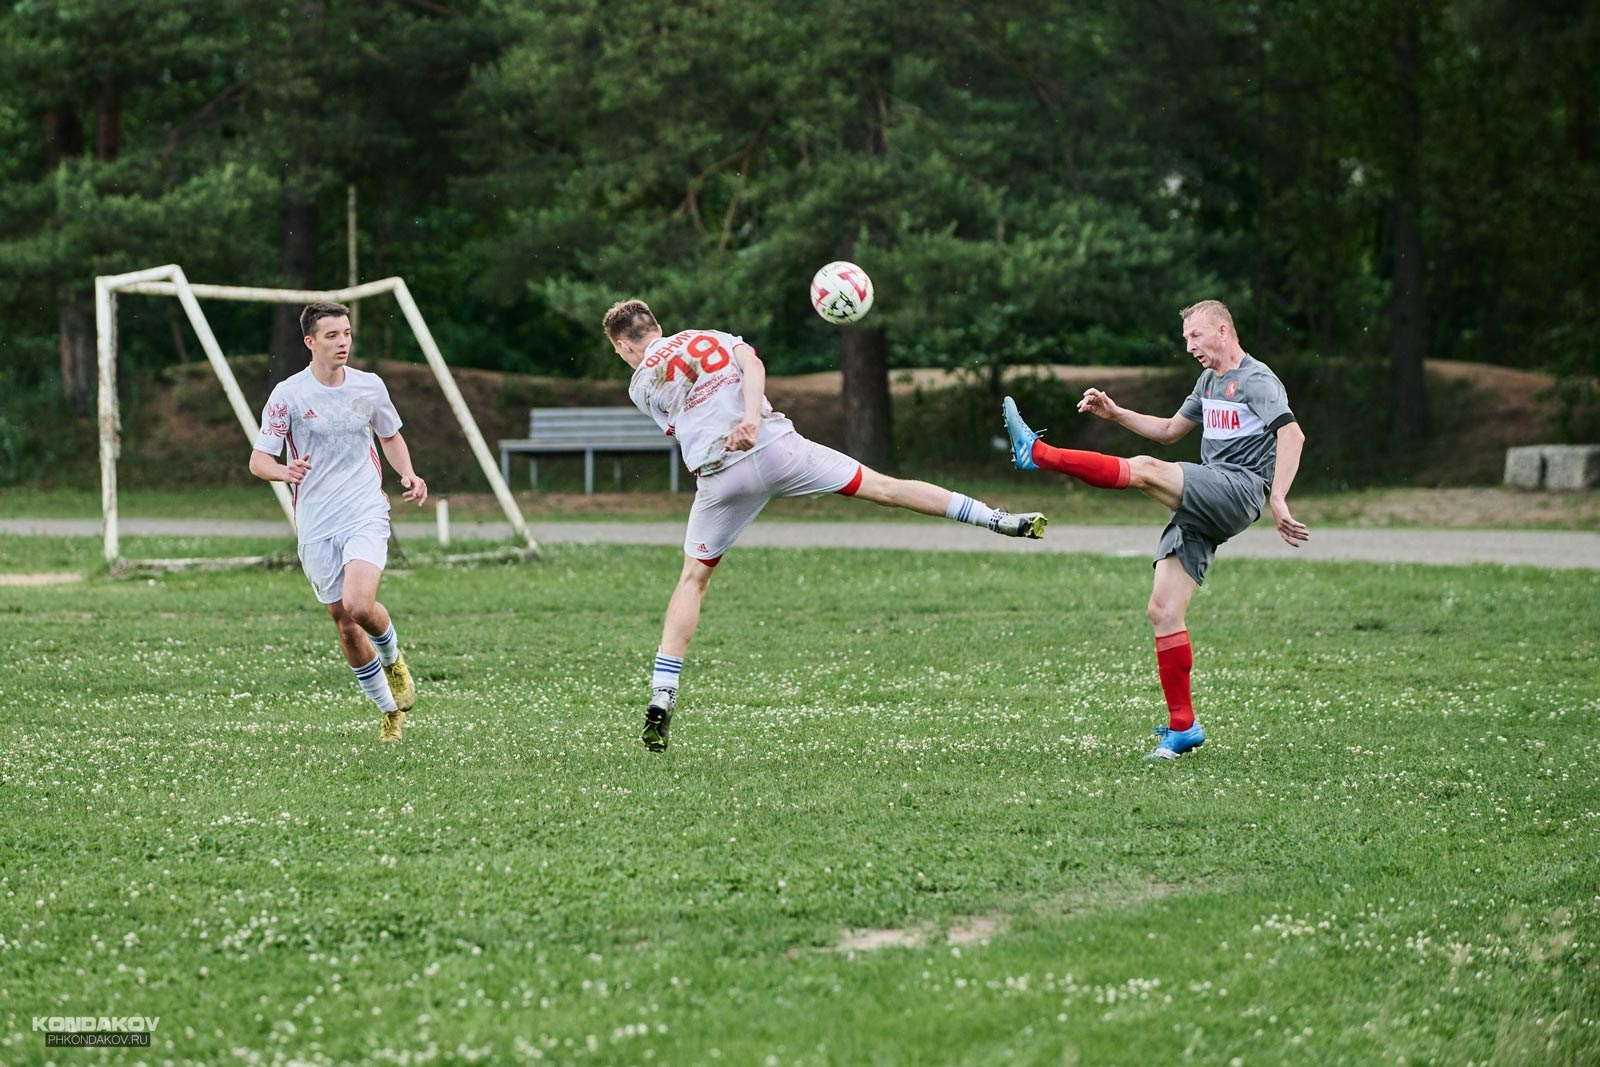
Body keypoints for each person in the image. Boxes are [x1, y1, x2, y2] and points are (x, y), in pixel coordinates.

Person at [604, 298, 1049, 752]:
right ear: (657, 324)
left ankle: (664, 693)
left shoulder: (640, 384)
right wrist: (753, 419)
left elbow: (688, 422)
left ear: (625, 345)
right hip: (779, 450)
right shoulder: (709, 336)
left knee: (693, 579)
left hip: (721, 478)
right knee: (887, 488)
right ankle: (998, 519)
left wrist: (737, 428)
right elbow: (751, 364)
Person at [1001, 299, 1309, 759]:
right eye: (1186, 338)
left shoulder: (1257, 380)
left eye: (1196, 337)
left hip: (1239, 490)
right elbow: (1169, 430)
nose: (1190, 346)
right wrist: (1116, 413)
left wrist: (1278, 497)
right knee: (1163, 610)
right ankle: (1183, 727)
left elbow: (1292, 434)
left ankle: (1039, 455)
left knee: (1144, 470)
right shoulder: (1208, 380)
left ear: (1223, 331)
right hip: (1206, 495)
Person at [249, 301, 428, 742]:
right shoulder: (288, 395)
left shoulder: (369, 386)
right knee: (345, 625)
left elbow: (390, 434)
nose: (342, 342)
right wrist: (283, 471)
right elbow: (258, 460)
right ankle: (389, 710)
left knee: (360, 605)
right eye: (332, 335)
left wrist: (407, 472)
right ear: (310, 342)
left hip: (364, 509)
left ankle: (394, 660)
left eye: (346, 333)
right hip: (315, 520)